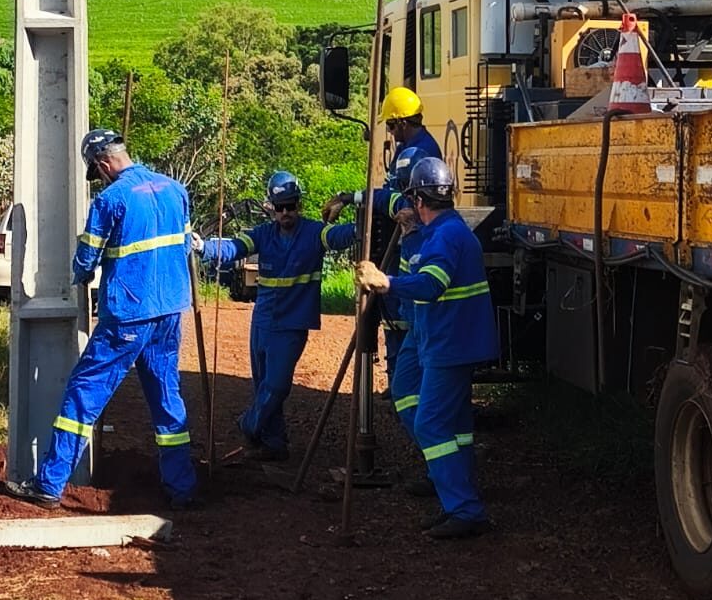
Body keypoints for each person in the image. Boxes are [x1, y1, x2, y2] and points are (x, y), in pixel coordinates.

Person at [5, 128, 197, 511]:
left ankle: (49, 484)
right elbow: (188, 245)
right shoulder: (175, 189)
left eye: (98, 170)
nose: (101, 176)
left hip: (128, 314)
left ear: (103, 163)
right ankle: (183, 488)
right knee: (166, 398)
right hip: (170, 312)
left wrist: (74, 276)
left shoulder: (111, 200)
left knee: (83, 396)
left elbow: (85, 261)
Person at [356, 156, 497, 539]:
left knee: (431, 423)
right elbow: (425, 269)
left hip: (451, 342)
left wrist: (385, 283)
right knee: (433, 411)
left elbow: (430, 284)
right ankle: (453, 482)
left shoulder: (447, 236)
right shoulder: (441, 231)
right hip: (438, 338)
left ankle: (465, 507)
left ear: (419, 200)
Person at [194, 170, 356, 462]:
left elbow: (340, 236)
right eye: (280, 208)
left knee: (278, 385)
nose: (285, 213)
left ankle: (250, 424)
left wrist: (365, 224)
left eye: (291, 206)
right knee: (263, 383)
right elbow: (233, 247)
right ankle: (273, 442)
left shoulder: (314, 233)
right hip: (263, 321)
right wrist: (203, 247)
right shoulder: (262, 235)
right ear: (271, 207)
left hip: (292, 323)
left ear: (299, 205)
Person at [323, 87, 441, 387]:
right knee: (395, 315)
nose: (390, 131)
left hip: (410, 244)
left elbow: (396, 200)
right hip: (401, 244)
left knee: (405, 316)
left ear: (403, 122)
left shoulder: (416, 153)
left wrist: (352, 197)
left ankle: (405, 386)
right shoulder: (409, 149)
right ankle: (398, 383)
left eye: (390, 125)